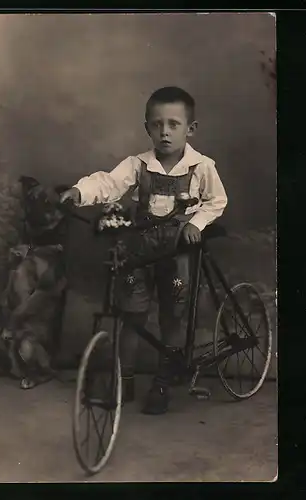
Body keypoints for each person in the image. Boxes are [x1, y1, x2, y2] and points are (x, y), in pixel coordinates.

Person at [60, 86, 228, 415]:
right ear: (147, 127)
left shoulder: (202, 167)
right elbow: (109, 183)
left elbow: (216, 201)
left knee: (172, 317)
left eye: (173, 124)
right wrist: (80, 192)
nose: (164, 132)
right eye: (156, 124)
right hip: (139, 251)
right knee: (131, 315)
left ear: (190, 129)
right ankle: (125, 380)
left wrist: (197, 224)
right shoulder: (137, 165)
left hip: (177, 253)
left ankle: (163, 381)